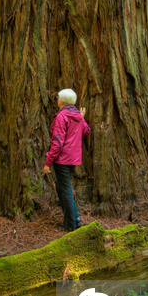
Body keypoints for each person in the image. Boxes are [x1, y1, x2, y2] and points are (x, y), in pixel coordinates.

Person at [44, 89, 90, 232]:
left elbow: (57, 142)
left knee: (66, 190)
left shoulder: (62, 116)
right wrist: (81, 118)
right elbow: (86, 130)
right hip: (73, 158)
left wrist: (48, 162)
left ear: (62, 101)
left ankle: (71, 225)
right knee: (61, 188)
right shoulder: (77, 116)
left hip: (62, 158)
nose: (57, 99)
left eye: (58, 97)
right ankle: (76, 219)